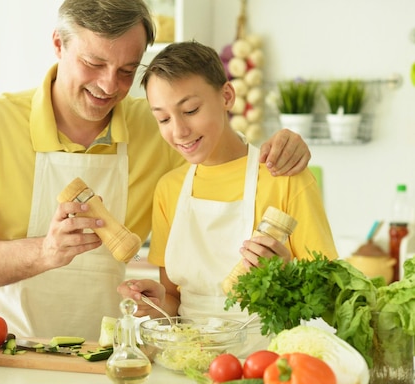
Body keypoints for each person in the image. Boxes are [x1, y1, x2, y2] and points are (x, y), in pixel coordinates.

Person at [0, 0, 312, 341]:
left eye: (127, 70)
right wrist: (46, 251)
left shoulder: (155, 125)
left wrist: (279, 146)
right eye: (94, 63)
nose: (108, 85)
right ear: (58, 45)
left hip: (106, 354)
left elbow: (222, 154)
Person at [117, 41, 337, 351]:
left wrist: (286, 274)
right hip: (186, 358)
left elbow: (330, 296)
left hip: (266, 362)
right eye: (163, 119)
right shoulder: (170, 188)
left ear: (226, 96)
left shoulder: (284, 178)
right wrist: (154, 302)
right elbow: (175, 301)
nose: (178, 131)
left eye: (190, 110)